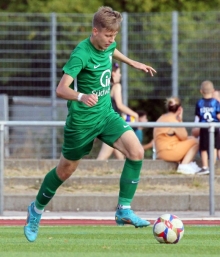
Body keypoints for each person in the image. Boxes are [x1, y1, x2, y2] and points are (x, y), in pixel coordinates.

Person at [24, 6, 156, 242]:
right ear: (95, 31)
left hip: (106, 115)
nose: (111, 41)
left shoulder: (109, 44)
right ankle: (36, 210)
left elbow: (112, 52)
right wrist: (81, 96)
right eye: (107, 36)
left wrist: (133, 63)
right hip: (81, 123)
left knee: (136, 152)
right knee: (65, 171)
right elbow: (61, 89)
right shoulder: (81, 54)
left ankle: (123, 210)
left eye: (114, 36)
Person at [96, 62, 139, 160]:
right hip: (112, 123)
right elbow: (119, 105)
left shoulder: (104, 87)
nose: (120, 75)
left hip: (104, 121)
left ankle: (124, 174)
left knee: (120, 156)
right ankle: (91, 172)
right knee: (103, 157)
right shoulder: (117, 86)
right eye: (119, 73)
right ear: (113, 74)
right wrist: (134, 114)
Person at [153, 97, 200, 175]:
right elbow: (184, 136)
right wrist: (180, 120)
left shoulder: (161, 118)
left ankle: (187, 163)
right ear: (179, 109)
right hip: (168, 151)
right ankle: (184, 165)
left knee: (191, 139)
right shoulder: (173, 121)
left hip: (161, 152)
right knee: (196, 142)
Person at [192, 80, 220, 175]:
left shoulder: (199, 103)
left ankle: (205, 167)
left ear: (201, 91)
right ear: (212, 91)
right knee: (215, 147)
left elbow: (198, 117)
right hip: (215, 127)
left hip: (204, 127)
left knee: (203, 148)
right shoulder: (216, 103)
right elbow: (218, 115)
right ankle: (212, 166)